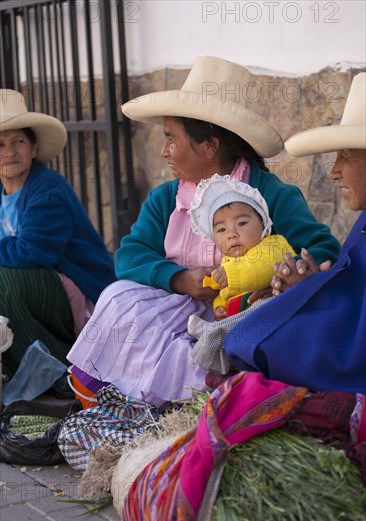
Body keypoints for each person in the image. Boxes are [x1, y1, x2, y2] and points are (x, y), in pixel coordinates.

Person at [67, 56, 340, 407]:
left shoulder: (270, 195)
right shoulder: (167, 199)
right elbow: (130, 255)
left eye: (171, 139)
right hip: (175, 307)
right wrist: (180, 279)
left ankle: (207, 399)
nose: (164, 151)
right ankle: (144, 395)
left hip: (240, 312)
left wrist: (287, 274)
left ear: (209, 146)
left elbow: (322, 247)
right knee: (118, 297)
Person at [224, 72, 366, 394]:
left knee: (258, 342)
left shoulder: (271, 191)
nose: (334, 171)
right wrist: (309, 284)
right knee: (245, 335)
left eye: (345, 155)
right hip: (340, 328)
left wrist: (314, 291)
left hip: (352, 353)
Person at [0, 89, 116, 380]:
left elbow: (33, 252)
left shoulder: (48, 190)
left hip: (81, 291)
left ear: (34, 148)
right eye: (0, 144)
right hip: (42, 282)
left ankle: (53, 368)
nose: (9, 152)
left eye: (18, 142)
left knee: (7, 279)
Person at [187, 173, 295, 338]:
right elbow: (224, 292)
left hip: (272, 308)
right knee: (222, 338)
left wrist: (230, 275)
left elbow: (263, 268)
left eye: (242, 223)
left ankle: (215, 333)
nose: (232, 234)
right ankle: (216, 334)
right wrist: (219, 307)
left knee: (261, 306)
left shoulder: (272, 245)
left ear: (263, 224)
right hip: (241, 317)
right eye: (222, 230)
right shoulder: (227, 262)